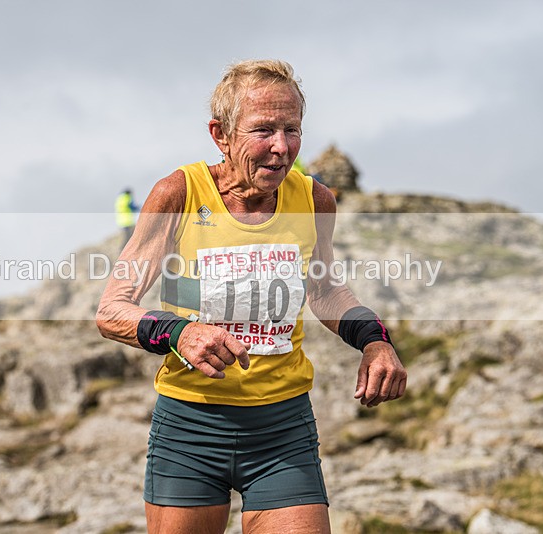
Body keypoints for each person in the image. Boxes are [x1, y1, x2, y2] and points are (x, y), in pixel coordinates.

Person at [96, 60, 406, 534]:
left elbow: (324, 290)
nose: (282, 147)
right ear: (220, 134)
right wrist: (180, 333)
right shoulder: (179, 193)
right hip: (190, 427)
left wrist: (375, 340)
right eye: (263, 130)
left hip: (282, 430)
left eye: (292, 129)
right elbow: (112, 309)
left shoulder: (315, 200)